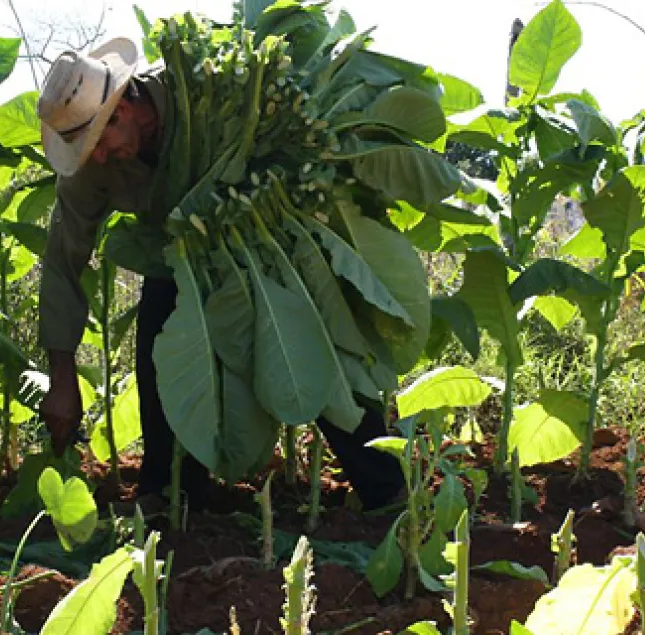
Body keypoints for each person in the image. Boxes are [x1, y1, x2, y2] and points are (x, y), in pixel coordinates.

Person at [34, 39, 405, 514]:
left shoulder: (201, 91)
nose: (99, 158)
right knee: (159, 350)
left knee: (315, 343)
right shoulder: (90, 169)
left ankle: (388, 489)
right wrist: (61, 375)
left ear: (125, 107)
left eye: (100, 142)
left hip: (259, 235)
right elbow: (63, 259)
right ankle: (171, 495)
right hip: (178, 251)